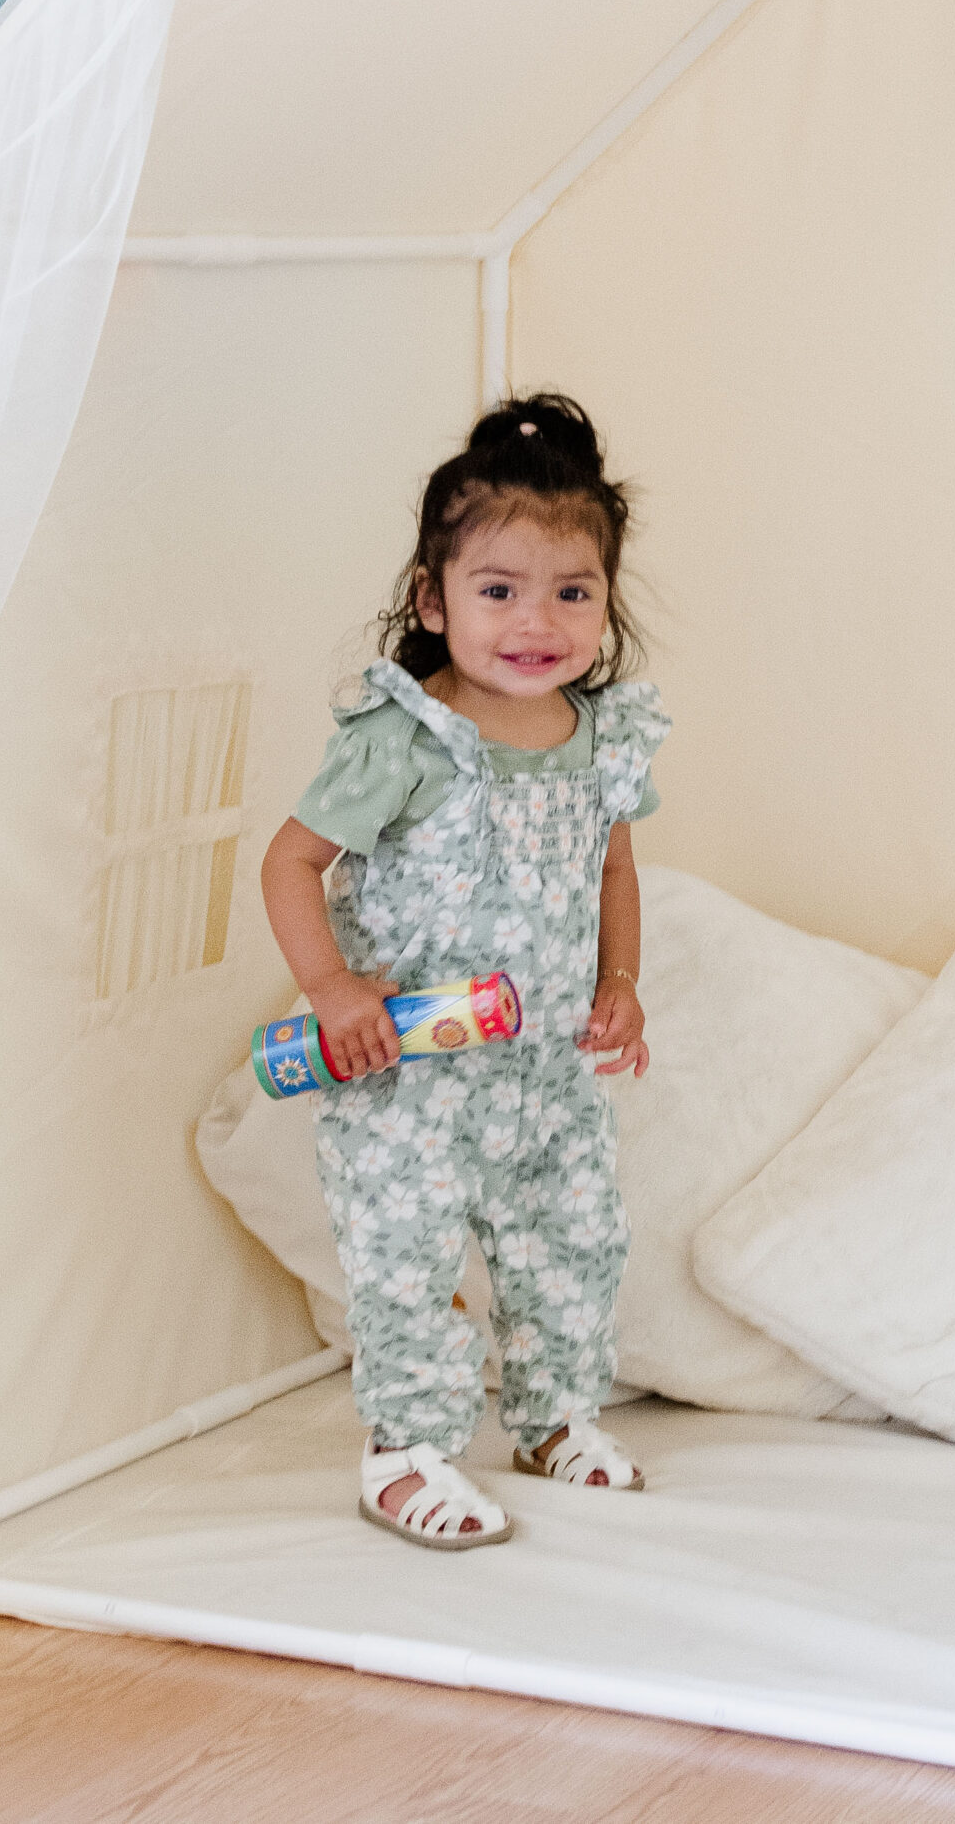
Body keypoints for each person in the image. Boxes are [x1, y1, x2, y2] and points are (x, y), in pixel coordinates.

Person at [260, 393, 667, 1550]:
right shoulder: (403, 740)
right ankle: (407, 1450)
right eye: (499, 589)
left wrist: (621, 982)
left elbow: (614, 868)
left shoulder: (599, 738)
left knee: (574, 1243)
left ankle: (552, 1415)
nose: (536, 619)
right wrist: (336, 992)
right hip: (414, 1078)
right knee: (411, 1263)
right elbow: (290, 865)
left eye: (571, 591)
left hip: (546, 1074)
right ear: (435, 600)